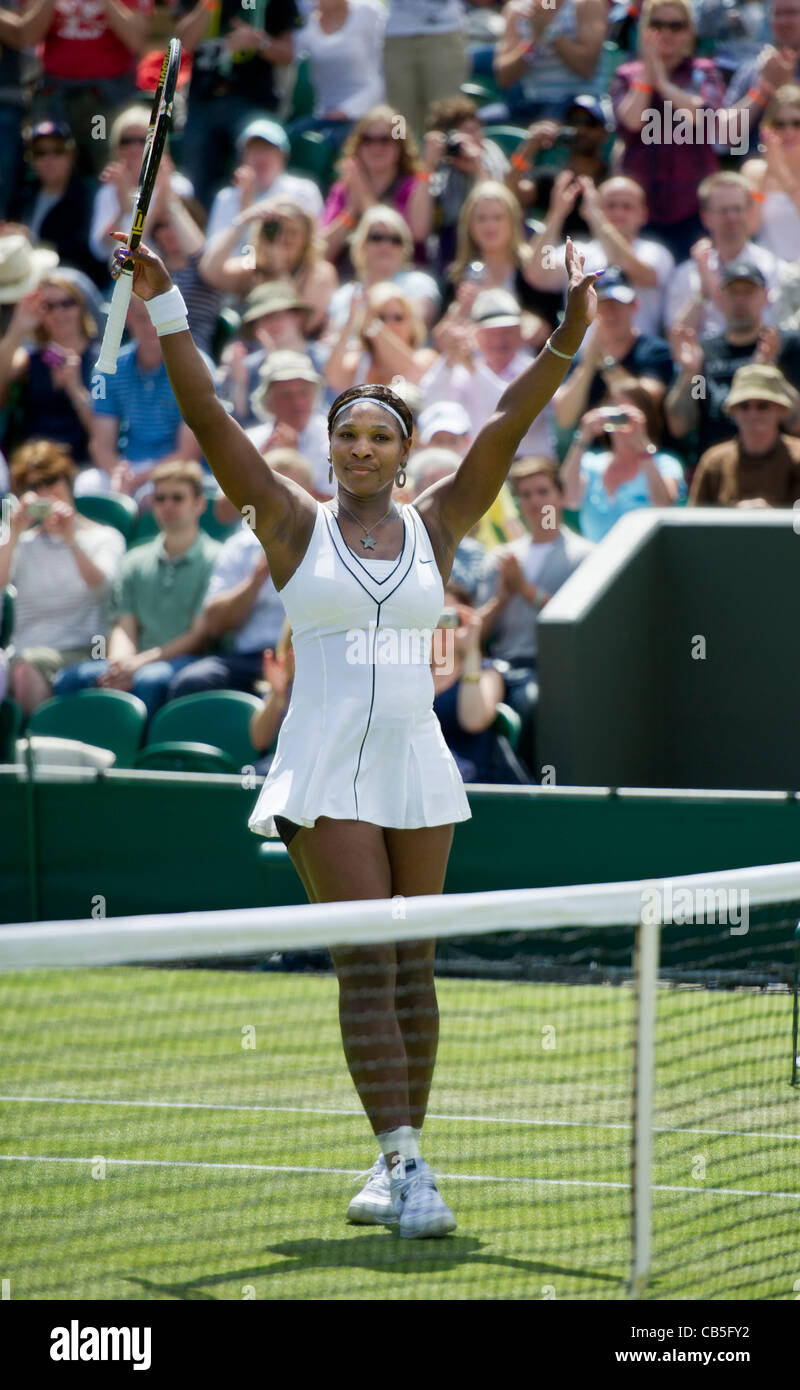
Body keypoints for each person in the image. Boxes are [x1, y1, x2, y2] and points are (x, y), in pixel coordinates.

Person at [109, 222, 599, 1237]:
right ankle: (403, 1160)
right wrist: (164, 303)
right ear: (330, 449)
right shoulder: (289, 523)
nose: (363, 447)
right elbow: (207, 416)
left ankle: (400, 1160)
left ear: (404, 453)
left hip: (416, 761)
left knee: (414, 964)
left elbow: (508, 421)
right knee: (366, 961)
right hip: (324, 763)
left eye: (381, 435)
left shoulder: (440, 521)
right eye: (349, 435)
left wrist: (565, 338)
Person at [53, 459, 220, 716]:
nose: (168, 505)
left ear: (199, 504)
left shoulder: (216, 559)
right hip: (139, 663)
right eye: (160, 498)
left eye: (178, 498)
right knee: (70, 679)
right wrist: (120, 665)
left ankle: (135, 756)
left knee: (150, 680)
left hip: (183, 663)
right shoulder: (135, 559)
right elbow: (124, 624)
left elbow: (198, 637)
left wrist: (138, 664)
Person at [477, 456, 593, 774]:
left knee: (530, 703)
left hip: (554, 670)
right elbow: (478, 633)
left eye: (542, 492)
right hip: (500, 668)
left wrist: (524, 589)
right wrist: (502, 598)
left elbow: (579, 621)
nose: (534, 502)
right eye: (525, 495)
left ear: (559, 495)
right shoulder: (501, 558)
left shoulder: (586, 556)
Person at [168, 449, 312, 701]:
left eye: (290, 490)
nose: (280, 498)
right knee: (192, 682)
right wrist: (256, 580)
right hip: (247, 658)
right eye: (272, 489)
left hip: (306, 661)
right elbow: (214, 624)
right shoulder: (240, 545)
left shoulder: (326, 543)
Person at [0, 438, 125, 715]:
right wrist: (14, 532)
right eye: (34, 486)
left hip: (84, 650)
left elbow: (102, 588)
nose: (45, 492)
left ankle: (34, 747)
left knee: (26, 667)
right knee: (20, 665)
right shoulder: (20, 541)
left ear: (68, 482)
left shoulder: (105, 537)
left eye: (51, 481)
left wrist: (70, 539)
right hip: (26, 651)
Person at [611, 0, 727, 261]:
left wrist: (662, 83)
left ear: (689, 32)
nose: (666, 33)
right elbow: (630, 122)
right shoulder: (627, 75)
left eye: (676, 26)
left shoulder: (704, 72)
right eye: (657, 25)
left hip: (694, 208)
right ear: (644, 29)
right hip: (642, 210)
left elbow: (703, 116)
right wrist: (646, 76)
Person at [665, 261, 800, 461]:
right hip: (717, 466)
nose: (740, 299)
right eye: (733, 292)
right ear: (720, 298)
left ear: (765, 297)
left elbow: (796, 423)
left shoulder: (783, 346)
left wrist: (770, 372)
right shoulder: (704, 353)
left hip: (776, 466)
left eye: (748, 292)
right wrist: (690, 374)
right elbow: (682, 426)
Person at [175, 0, 300, 210]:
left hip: (253, 103)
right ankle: (203, 235)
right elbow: (181, 43)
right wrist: (207, 5)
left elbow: (288, 55)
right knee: (194, 177)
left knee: (257, 157)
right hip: (203, 102)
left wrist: (259, 43)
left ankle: (259, 223)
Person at [85, 293, 203, 501]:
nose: (150, 327)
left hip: (176, 469)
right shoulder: (105, 370)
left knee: (153, 497)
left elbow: (188, 452)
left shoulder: (195, 369)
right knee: (87, 486)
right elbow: (100, 444)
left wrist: (137, 480)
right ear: (129, 317)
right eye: (142, 318)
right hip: (128, 466)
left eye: (156, 319)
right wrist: (118, 474)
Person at [527, 175, 676, 338]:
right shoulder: (578, 250)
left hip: (638, 359)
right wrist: (556, 215)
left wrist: (597, 218)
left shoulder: (655, 252)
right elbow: (539, 272)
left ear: (643, 214)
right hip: (583, 359)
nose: (618, 212)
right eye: (610, 206)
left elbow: (635, 269)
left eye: (627, 207)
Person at [421, 287, 558, 462]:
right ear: (477, 336)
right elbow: (431, 401)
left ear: (519, 332)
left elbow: (509, 413)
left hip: (526, 469)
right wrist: (449, 357)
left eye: (506, 332)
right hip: (477, 469)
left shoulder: (535, 370)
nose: (499, 341)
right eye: (491, 333)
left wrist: (472, 367)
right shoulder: (465, 371)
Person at [28, 0, 152, 178]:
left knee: (104, 164)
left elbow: (137, 40)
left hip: (102, 102)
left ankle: (104, 203)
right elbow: (27, 38)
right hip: (58, 97)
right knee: (55, 164)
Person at [560, 378, 687, 540]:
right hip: (596, 560)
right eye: (613, 412)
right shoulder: (590, 462)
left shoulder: (666, 464)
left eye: (626, 416)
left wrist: (643, 447)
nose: (619, 421)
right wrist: (582, 437)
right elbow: (570, 499)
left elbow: (662, 506)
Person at [551, 267, 673, 432]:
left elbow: (647, 403)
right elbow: (564, 418)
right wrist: (587, 366)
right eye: (602, 305)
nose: (610, 313)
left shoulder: (655, 350)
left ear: (634, 306)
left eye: (617, 304)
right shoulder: (580, 358)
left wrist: (607, 364)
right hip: (595, 451)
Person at [432, 586, 532, 785]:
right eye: (435, 616)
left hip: (474, 782)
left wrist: (470, 651)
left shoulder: (487, 672)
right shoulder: (410, 673)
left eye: (453, 618)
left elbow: (473, 720)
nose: (443, 627)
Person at [664, 172, 780, 337]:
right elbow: (676, 338)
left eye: (737, 209)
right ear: (706, 217)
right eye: (723, 211)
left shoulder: (770, 266)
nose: (731, 217)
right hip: (703, 360)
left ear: (750, 212)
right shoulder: (686, 273)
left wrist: (715, 290)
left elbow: (772, 327)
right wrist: (703, 293)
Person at [0, 271, 97, 466]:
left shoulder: (101, 360)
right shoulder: (31, 358)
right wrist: (18, 328)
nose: (59, 313)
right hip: (31, 460)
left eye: (67, 303)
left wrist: (75, 388)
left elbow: (101, 431)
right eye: (49, 307)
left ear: (81, 307)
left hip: (80, 462)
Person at [200, 197, 337, 334]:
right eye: (276, 231)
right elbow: (210, 272)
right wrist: (241, 222)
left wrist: (279, 270)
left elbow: (304, 326)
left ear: (306, 239)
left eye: (292, 232)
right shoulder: (253, 268)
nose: (282, 238)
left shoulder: (319, 272)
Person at [320, 105, 433, 268]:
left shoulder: (413, 185)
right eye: (367, 140)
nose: (376, 147)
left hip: (402, 278)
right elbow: (323, 251)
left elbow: (417, 235)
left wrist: (363, 196)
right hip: (350, 278)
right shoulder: (343, 189)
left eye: (385, 140)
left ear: (399, 145)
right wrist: (350, 211)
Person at [688, 362, 800, 506]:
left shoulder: (797, 457)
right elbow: (695, 520)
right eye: (744, 406)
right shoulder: (714, 461)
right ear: (733, 412)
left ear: (781, 410)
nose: (752, 414)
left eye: (762, 406)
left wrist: (772, 519)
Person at [13, 120, 105, 286]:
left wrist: (28, 241)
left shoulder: (89, 196)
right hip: (28, 287)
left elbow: (88, 253)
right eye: (40, 153)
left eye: (58, 151)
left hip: (75, 289)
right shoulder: (23, 197)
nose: (49, 159)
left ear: (71, 155)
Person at [204, 119, 324, 246]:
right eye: (254, 149)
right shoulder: (226, 197)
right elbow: (212, 254)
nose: (261, 157)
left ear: (283, 156)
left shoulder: (304, 190)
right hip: (234, 265)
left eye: (267, 149)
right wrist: (244, 210)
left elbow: (313, 245)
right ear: (242, 157)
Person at [289, 0, 387, 152]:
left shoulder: (369, 12)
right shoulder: (307, 18)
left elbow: (382, 76)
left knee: (328, 146)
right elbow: (290, 54)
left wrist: (346, 111)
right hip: (324, 116)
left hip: (365, 114)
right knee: (293, 136)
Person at [324, 206, 441, 333]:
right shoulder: (344, 295)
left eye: (395, 239)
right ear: (361, 244)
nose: (385, 245)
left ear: (405, 247)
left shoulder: (419, 284)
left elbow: (414, 330)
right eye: (376, 237)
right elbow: (328, 340)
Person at [493, 0, 607, 125]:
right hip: (531, 104)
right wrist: (534, 42)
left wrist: (550, 32)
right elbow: (504, 78)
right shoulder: (515, 10)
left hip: (577, 105)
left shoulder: (587, 4)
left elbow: (587, 69)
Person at [324, 282, 437, 394]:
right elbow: (334, 378)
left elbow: (411, 371)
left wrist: (375, 328)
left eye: (398, 318)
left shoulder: (425, 357)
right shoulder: (359, 362)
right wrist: (352, 320)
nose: (389, 325)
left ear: (412, 323)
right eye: (381, 318)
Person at [247, 349, 331, 496]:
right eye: (286, 395)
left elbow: (334, 509)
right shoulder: (251, 439)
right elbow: (223, 512)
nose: (297, 403)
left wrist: (291, 462)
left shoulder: (332, 439)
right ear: (268, 400)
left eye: (303, 393)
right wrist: (259, 468)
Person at [382, 0, 470, 138]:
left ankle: (448, 157)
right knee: (398, 118)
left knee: (446, 114)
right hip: (396, 35)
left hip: (444, 32)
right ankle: (399, 157)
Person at [742, 83, 800, 264]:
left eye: (796, 123)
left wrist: (780, 172)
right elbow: (749, 228)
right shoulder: (754, 170)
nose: (788, 131)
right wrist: (767, 173)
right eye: (780, 124)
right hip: (768, 272)